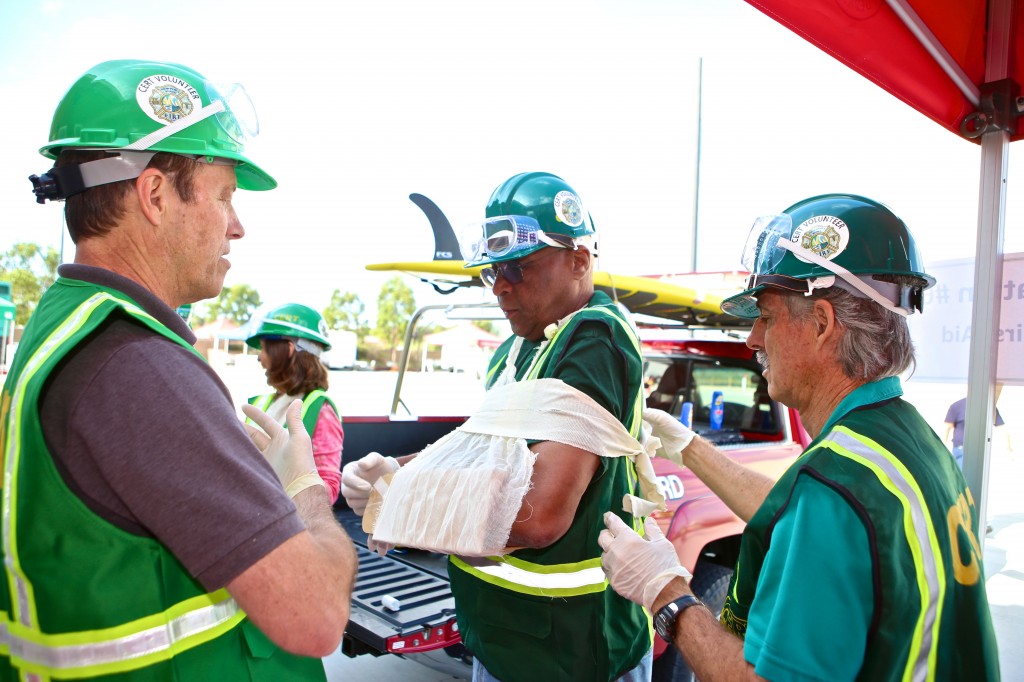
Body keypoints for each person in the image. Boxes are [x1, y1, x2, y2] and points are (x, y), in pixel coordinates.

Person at [2, 60, 357, 680]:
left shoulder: (68, 321)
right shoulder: (137, 366)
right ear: (156, 195)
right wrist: (304, 493)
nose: (238, 225)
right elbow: (318, 615)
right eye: (224, 196)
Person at [598, 194, 1000, 680]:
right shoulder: (906, 439)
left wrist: (666, 596)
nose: (752, 339)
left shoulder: (835, 486)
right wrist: (691, 450)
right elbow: (794, 515)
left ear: (821, 324)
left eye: (765, 317)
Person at [341, 172, 653, 682]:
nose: (501, 286)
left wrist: (401, 496)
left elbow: (539, 514)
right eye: (492, 272)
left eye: (518, 267)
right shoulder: (514, 352)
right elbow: (488, 454)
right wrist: (394, 469)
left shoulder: (594, 336)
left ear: (579, 259)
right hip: (503, 635)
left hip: (572, 651)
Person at [246, 303, 344, 503]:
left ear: (288, 349)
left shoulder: (320, 410)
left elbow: (330, 490)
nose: (259, 357)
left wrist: (294, 481)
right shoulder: (260, 402)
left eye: (264, 348)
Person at [944, 395, 1009, 470]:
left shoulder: (988, 406)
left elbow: (1002, 429)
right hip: (962, 449)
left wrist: (1008, 449)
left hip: (977, 450)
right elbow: (947, 427)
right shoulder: (957, 406)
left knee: (966, 477)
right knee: (964, 476)